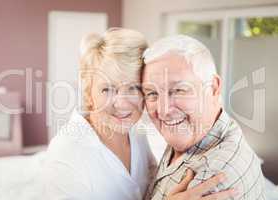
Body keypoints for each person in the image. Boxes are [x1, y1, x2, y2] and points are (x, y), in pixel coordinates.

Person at [41, 28, 234, 200]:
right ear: (88, 93)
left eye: (133, 88)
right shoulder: (66, 154)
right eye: (107, 89)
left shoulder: (136, 132)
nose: (122, 104)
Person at [142, 35, 266, 200]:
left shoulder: (210, 177)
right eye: (152, 93)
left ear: (213, 88)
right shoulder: (192, 132)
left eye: (179, 90)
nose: (163, 111)